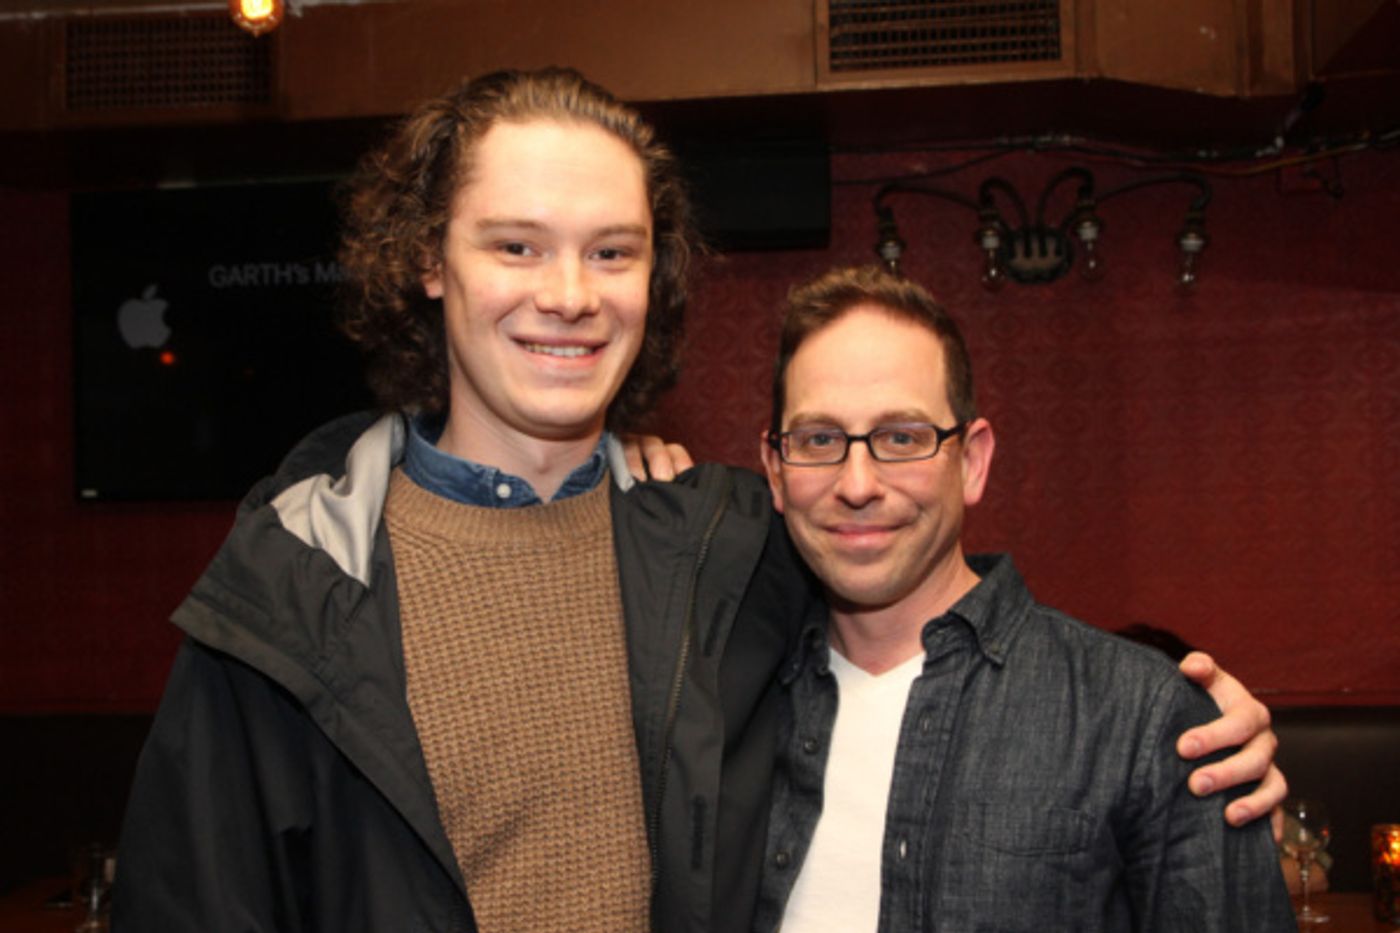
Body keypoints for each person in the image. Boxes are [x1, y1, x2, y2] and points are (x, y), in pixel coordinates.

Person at [112, 70, 1282, 933]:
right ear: (429, 260)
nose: (568, 295)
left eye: (611, 252)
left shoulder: (723, 550)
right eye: (515, 246)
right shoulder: (287, 593)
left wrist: (1179, 732)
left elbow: (926, 609)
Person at [752, 265, 1294, 932]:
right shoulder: (726, 699)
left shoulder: (1141, 716)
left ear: (972, 461)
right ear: (775, 470)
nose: (857, 483)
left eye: (902, 437)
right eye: (819, 440)